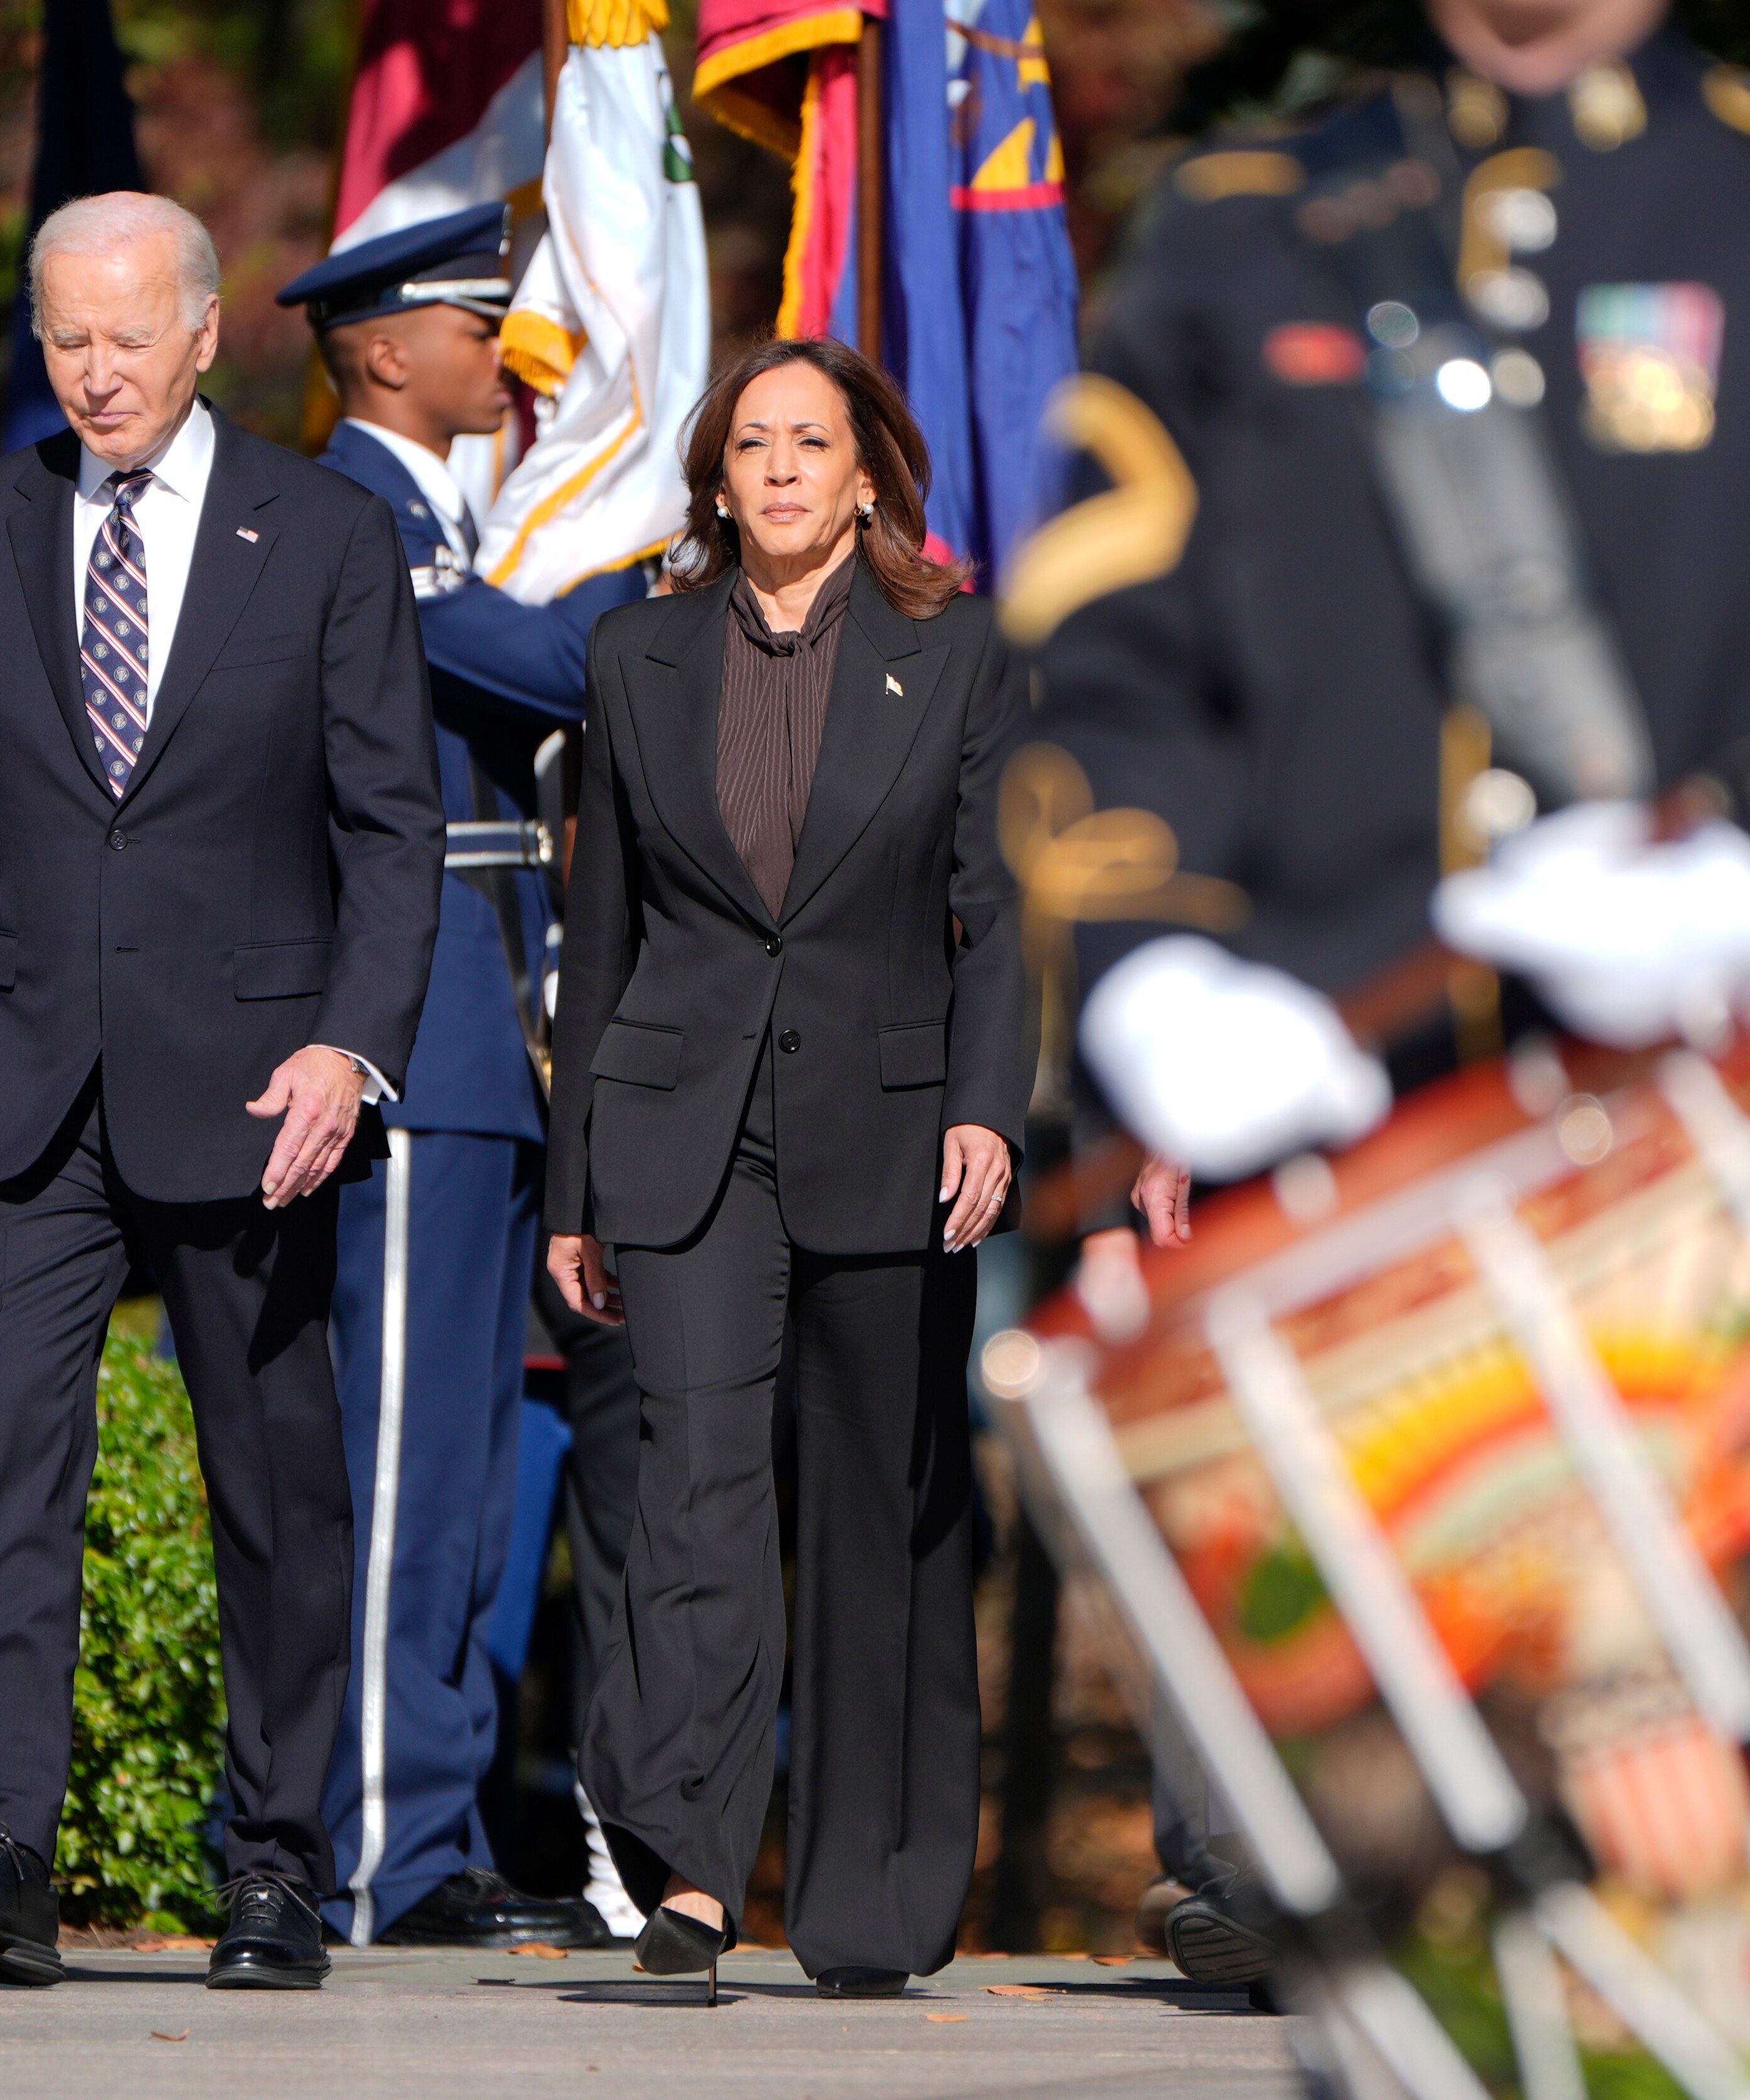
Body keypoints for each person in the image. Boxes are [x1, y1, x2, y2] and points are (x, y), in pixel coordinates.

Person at [1015, 0, 1750, 1979]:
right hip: (1346, 1145)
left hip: (1720, 1133)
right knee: (1414, 1851)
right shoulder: (1246, 225)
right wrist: (1152, 962)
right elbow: (1111, 638)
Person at [0, 191, 444, 1990]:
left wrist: (350, 1047)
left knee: (275, 1490)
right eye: (64, 340)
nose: (94, 374)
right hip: (20, 1081)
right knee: (14, 1473)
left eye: (127, 337)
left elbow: (389, 828)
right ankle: (1, 1858)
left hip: (255, 1086)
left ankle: (271, 1866)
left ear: (204, 334)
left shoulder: (326, 535)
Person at [544, 335, 1031, 1998]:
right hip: (682, 1135)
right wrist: (575, 1192)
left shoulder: (955, 651)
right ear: (718, 472)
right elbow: (598, 932)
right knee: (692, 1484)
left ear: (867, 473)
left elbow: (1002, 903)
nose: (777, 471)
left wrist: (989, 1108)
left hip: (896, 1130)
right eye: (750, 444)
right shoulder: (634, 656)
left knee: (879, 1511)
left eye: (809, 444)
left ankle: (872, 1899)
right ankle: (690, 1871)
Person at [274, 202, 635, 1949]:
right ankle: (367, 1844)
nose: (513, 352)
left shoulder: (447, 517)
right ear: (384, 351)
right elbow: (554, 665)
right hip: (417, 1038)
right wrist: (651, 567)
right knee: (404, 1464)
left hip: (496, 1035)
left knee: (477, 1480)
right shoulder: (353, 516)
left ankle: (425, 1828)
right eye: (483, 324)